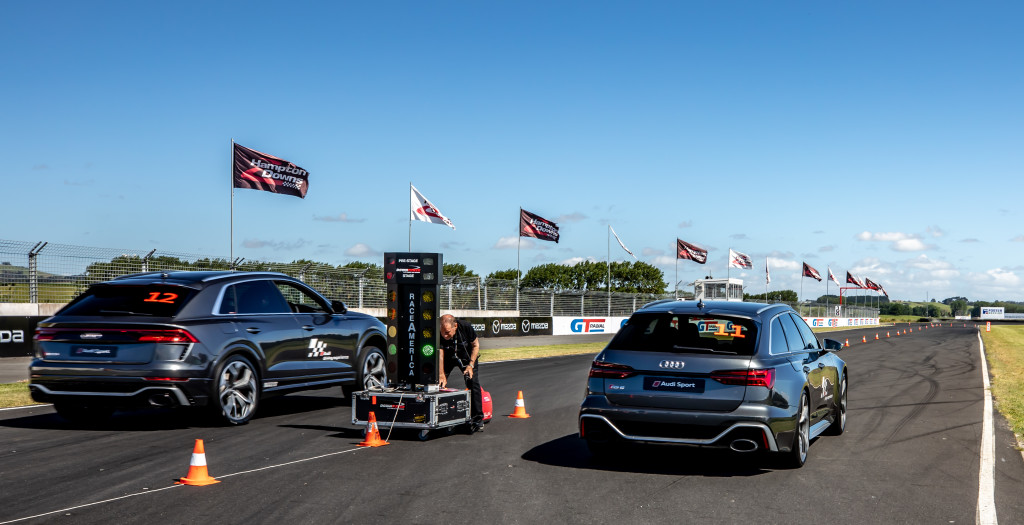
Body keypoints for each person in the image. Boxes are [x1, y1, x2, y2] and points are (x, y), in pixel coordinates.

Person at [438, 313, 484, 433]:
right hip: (448, 356)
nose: (444, 335)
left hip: (467, 357)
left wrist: (471, 365)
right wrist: (441, 374)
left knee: (472, 382)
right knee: (437, 382)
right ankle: (438, 414)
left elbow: (476, 345)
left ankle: (478, 419)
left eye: (447, 332)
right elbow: (440, 353)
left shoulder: (466, 327)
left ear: (455, 326)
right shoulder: (440, 332)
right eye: (442, 332)